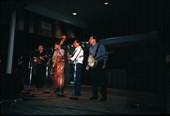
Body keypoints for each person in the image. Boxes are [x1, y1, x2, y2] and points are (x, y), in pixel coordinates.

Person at [86, 36, 108, 101]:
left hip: (100, 64)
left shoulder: (101, 46)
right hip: (92, 65)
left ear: (94, 40)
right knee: (94, 81)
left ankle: (104, 97)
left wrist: (104, 64)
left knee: (102, 81)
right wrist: (88, 65)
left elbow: (105, 56)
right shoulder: (90, 48)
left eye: (90, 39)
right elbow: (90, 58)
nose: (89, 40)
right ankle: (95, 96)